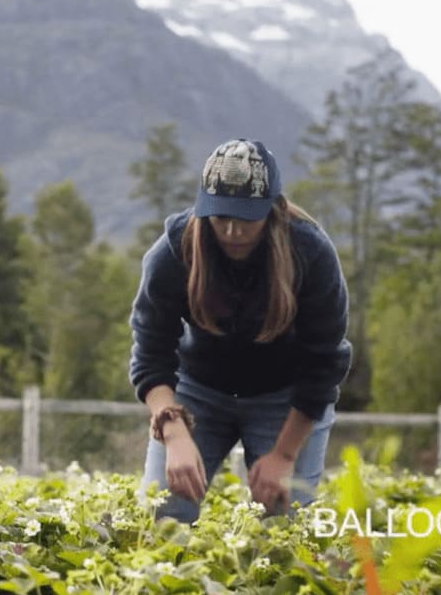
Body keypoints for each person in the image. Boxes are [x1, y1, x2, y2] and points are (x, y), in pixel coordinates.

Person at [130, 138, 351, 522]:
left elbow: (324, 364)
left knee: (284, 527)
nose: (232, 231)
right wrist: (174, 428)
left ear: (275, 209)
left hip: (285, 398)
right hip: (197, 392)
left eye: (246, 218)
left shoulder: (311, 254)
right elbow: (151, 352)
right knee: (162, 516)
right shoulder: (173, 252)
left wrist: (283, 455)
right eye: (220, 217)